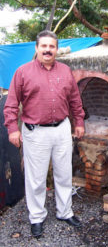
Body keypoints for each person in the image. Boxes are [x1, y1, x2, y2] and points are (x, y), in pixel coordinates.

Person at [4, 30, 85, 237]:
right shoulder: (22, 72)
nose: (48, 50)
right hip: (35, 132)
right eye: (44, 46)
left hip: (62, 129)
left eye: (52, 46)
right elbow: (11, 104)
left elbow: (75, 100)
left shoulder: (66, 71)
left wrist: (79, 122)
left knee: (64, 174)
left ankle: (65, 211)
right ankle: (37, 217)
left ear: (56, 49)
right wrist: (13, 129)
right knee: (36, 179)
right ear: (37, 48)